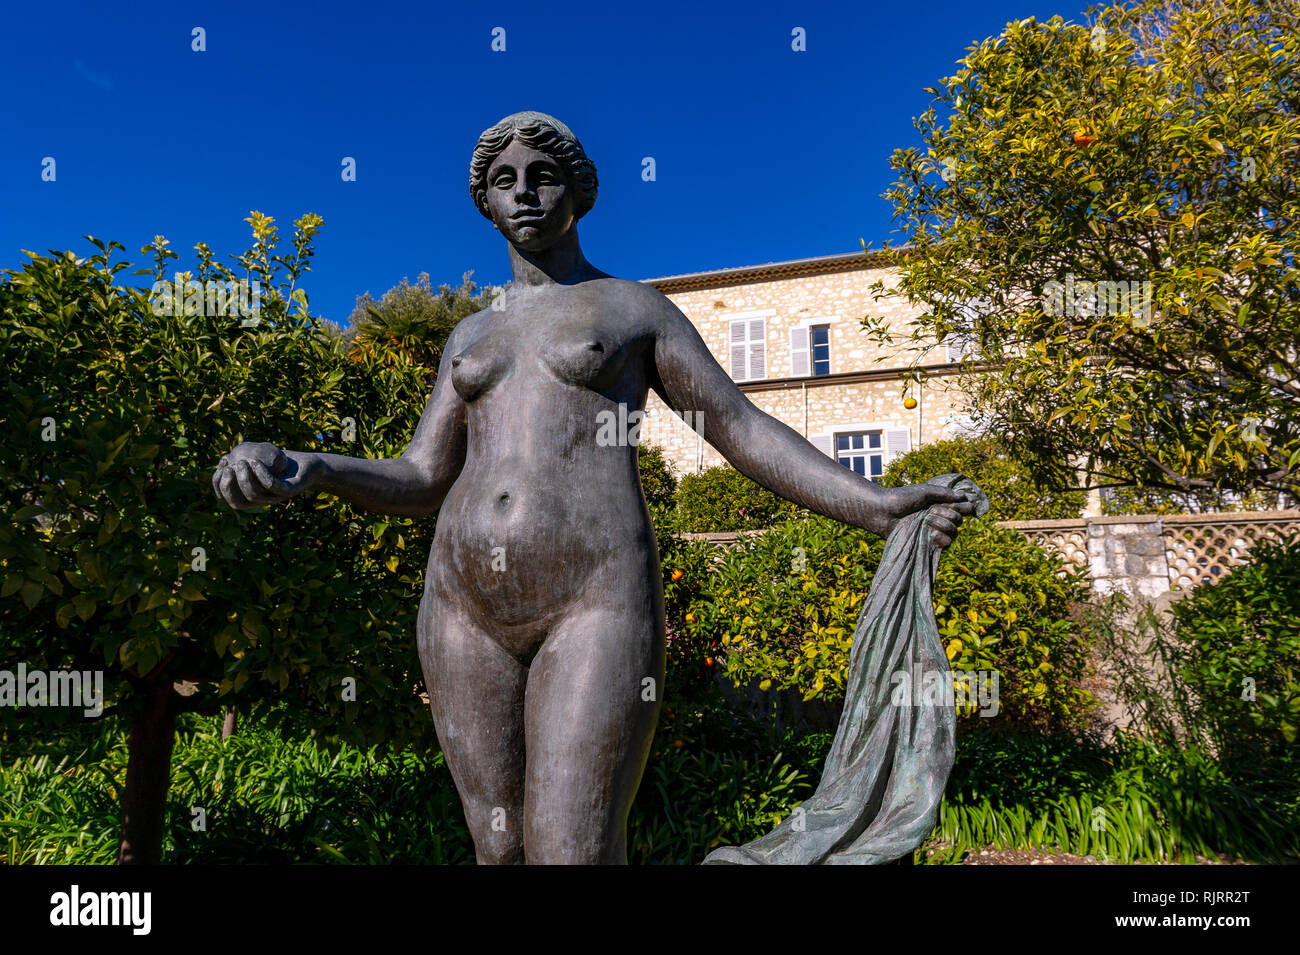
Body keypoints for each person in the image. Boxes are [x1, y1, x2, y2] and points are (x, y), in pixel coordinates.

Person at [211, 110, 975, 864]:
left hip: (594, 599)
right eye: (505, 181)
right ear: (486, 201)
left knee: (572, 848)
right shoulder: (469, 335)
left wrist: (877, 503)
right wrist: (309, 466)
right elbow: (420, 476)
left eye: (544, 177)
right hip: (461, 605)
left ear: (578, 192)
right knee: (498, 846)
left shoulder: (632, 308)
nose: (526, 195)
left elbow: (736, 427)